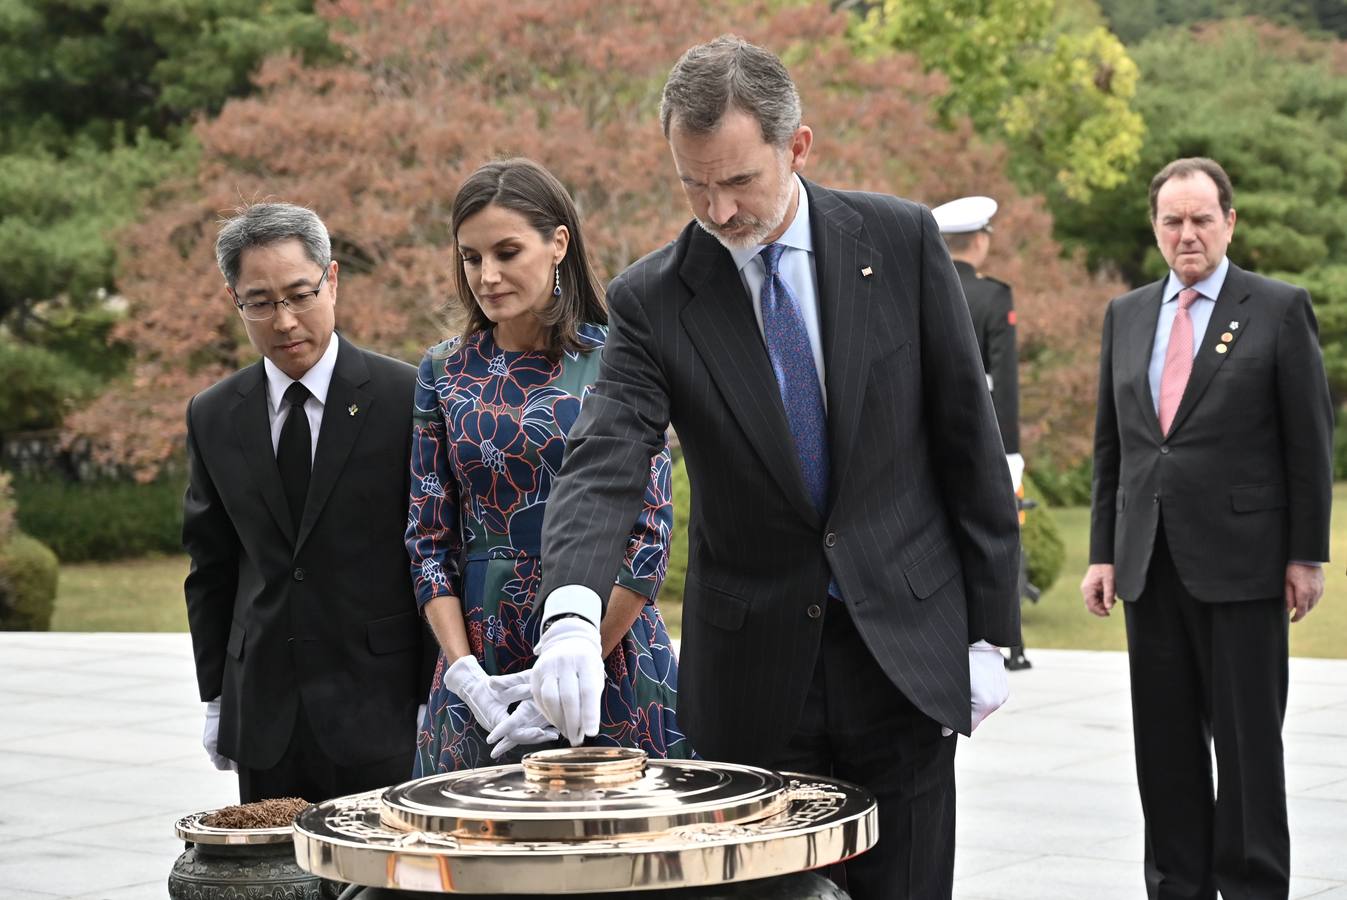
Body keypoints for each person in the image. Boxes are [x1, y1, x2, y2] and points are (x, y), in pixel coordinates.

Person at [528, 37, 1021, 900]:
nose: (717, 209)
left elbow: (964, 440)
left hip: (901, 656)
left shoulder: (899, 240)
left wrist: (987, 632)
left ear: (797, 147)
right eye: (693, 184)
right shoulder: (653, 299)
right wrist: (570, 606)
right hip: (753, 679)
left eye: (738, 181)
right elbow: (605, 455)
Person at [1081, 157, 1332, 900]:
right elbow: (1112, 446)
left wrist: (1305, 555)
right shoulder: (1125, 315)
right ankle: (1176, 885)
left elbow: (1307, 445)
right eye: (1171, 221)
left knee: (1248, 748)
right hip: (1148, 566)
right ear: (1155, 228)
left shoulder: (1278, 309)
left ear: (1229, 221)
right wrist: (1102, 553)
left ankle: (1252, 886)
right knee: (1162, 750)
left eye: (1199, 218)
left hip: (1245, 567)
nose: (1185, 234)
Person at [405, 158, 692, 774]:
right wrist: (461, 671)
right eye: (471, 257)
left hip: (604, 648)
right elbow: (428, 538)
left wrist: (579, 652)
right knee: (476, 857)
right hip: (479, 661)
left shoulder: (621, 357)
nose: (487, 275)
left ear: (558, 242)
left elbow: (647, 541)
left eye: (507, 252)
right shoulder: (442, 370)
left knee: (616, 853)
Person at [183, 202, 427, 802]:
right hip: (263, 708)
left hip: (382, 704)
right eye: (260, 303)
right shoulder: (213, 413)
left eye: (300, 294)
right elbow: (210, 567)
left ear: (333, 279)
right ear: (236, 302)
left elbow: (433, 552)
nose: (285, 320)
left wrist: (433, 692)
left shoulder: (405, 397)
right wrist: (215, 695)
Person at [932, 195, 1031, 671]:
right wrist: (1009, 451)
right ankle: (997, 640)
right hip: (981, 439)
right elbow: (1004, 382)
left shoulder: (921, 284)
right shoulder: (994, 296)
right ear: (979, 240)